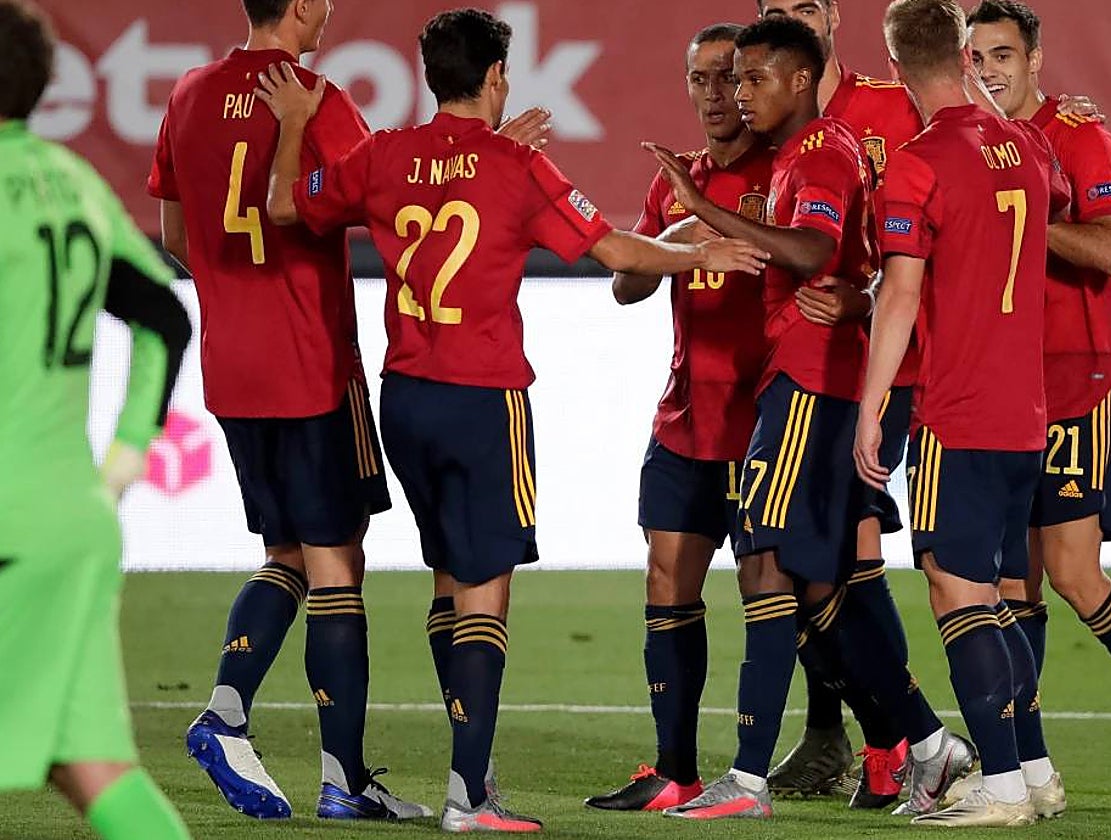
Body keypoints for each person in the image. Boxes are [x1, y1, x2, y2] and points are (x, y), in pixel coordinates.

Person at [254, 7, 768, 831]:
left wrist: (290, 129)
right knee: (486, 595)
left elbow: (286, 204)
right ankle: (470, 796)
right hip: (483, 402)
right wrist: (697, 252)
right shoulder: (516, 168)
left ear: (430, 78)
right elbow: (617, 252)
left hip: (406, 399)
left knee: (450, 580)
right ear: (496, 77)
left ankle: (474, 768)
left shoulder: (381, 155)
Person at [643, 16, 972, 820]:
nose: (740, 94)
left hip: (811, 382)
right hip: (804, 382)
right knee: (827, 582)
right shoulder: (800, 153)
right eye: (729, 81)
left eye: (753, 80)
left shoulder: (820, 150)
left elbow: (812, 252)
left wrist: (701, 209)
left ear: (799, 79)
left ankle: (749, 782)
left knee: (768, 560)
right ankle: (928, 746)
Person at [148, 0, 430, 820]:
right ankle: (342, 780)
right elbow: (369, 196)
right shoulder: (315, 96)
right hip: (309, 359)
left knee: (288, 552)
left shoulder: (190, 94)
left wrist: (234, 288)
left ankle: (230, 714)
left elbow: (174, 231)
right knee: (338, 560)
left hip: (231, 363)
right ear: (302, 4)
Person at [963, 0, 1111, 807]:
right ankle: (1035, 773)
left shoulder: (1078, 132)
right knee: (1012, 585)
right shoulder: (975, 142)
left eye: (1003, 55)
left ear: (1035, 59)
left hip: (1080, 379)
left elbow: (1110, 247)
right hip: (1007, 385)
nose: (990, 70)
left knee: (1070, 572)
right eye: (978, 57)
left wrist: (1029, 215)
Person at [854, 0, 1071, 826]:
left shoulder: (915, 163)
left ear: (895, 59)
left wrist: (872, 410)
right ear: (966, 55)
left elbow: (900, 294)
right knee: (990, 592)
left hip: (957, 411)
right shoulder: (1028, 144)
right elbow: (1046, 200)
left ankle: (1005, 789)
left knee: (955, 588)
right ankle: (1037, 771)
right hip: (1026, 413)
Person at [0, 2, 193, 838]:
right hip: (71, 517)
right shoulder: (74, 182)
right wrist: (124, 456)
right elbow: (167, 317)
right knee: (95, 770)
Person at [584, 22, 775, 813]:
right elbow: (627, 285)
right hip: (685, 418)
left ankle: (863, 752)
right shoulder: (678, 182)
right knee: (667, 581)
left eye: (728, 78)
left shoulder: (783, 171)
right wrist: (677, 236)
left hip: (766, 419)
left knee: (784, 595)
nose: (713, 94)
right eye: (699, 79)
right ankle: (675, 770)